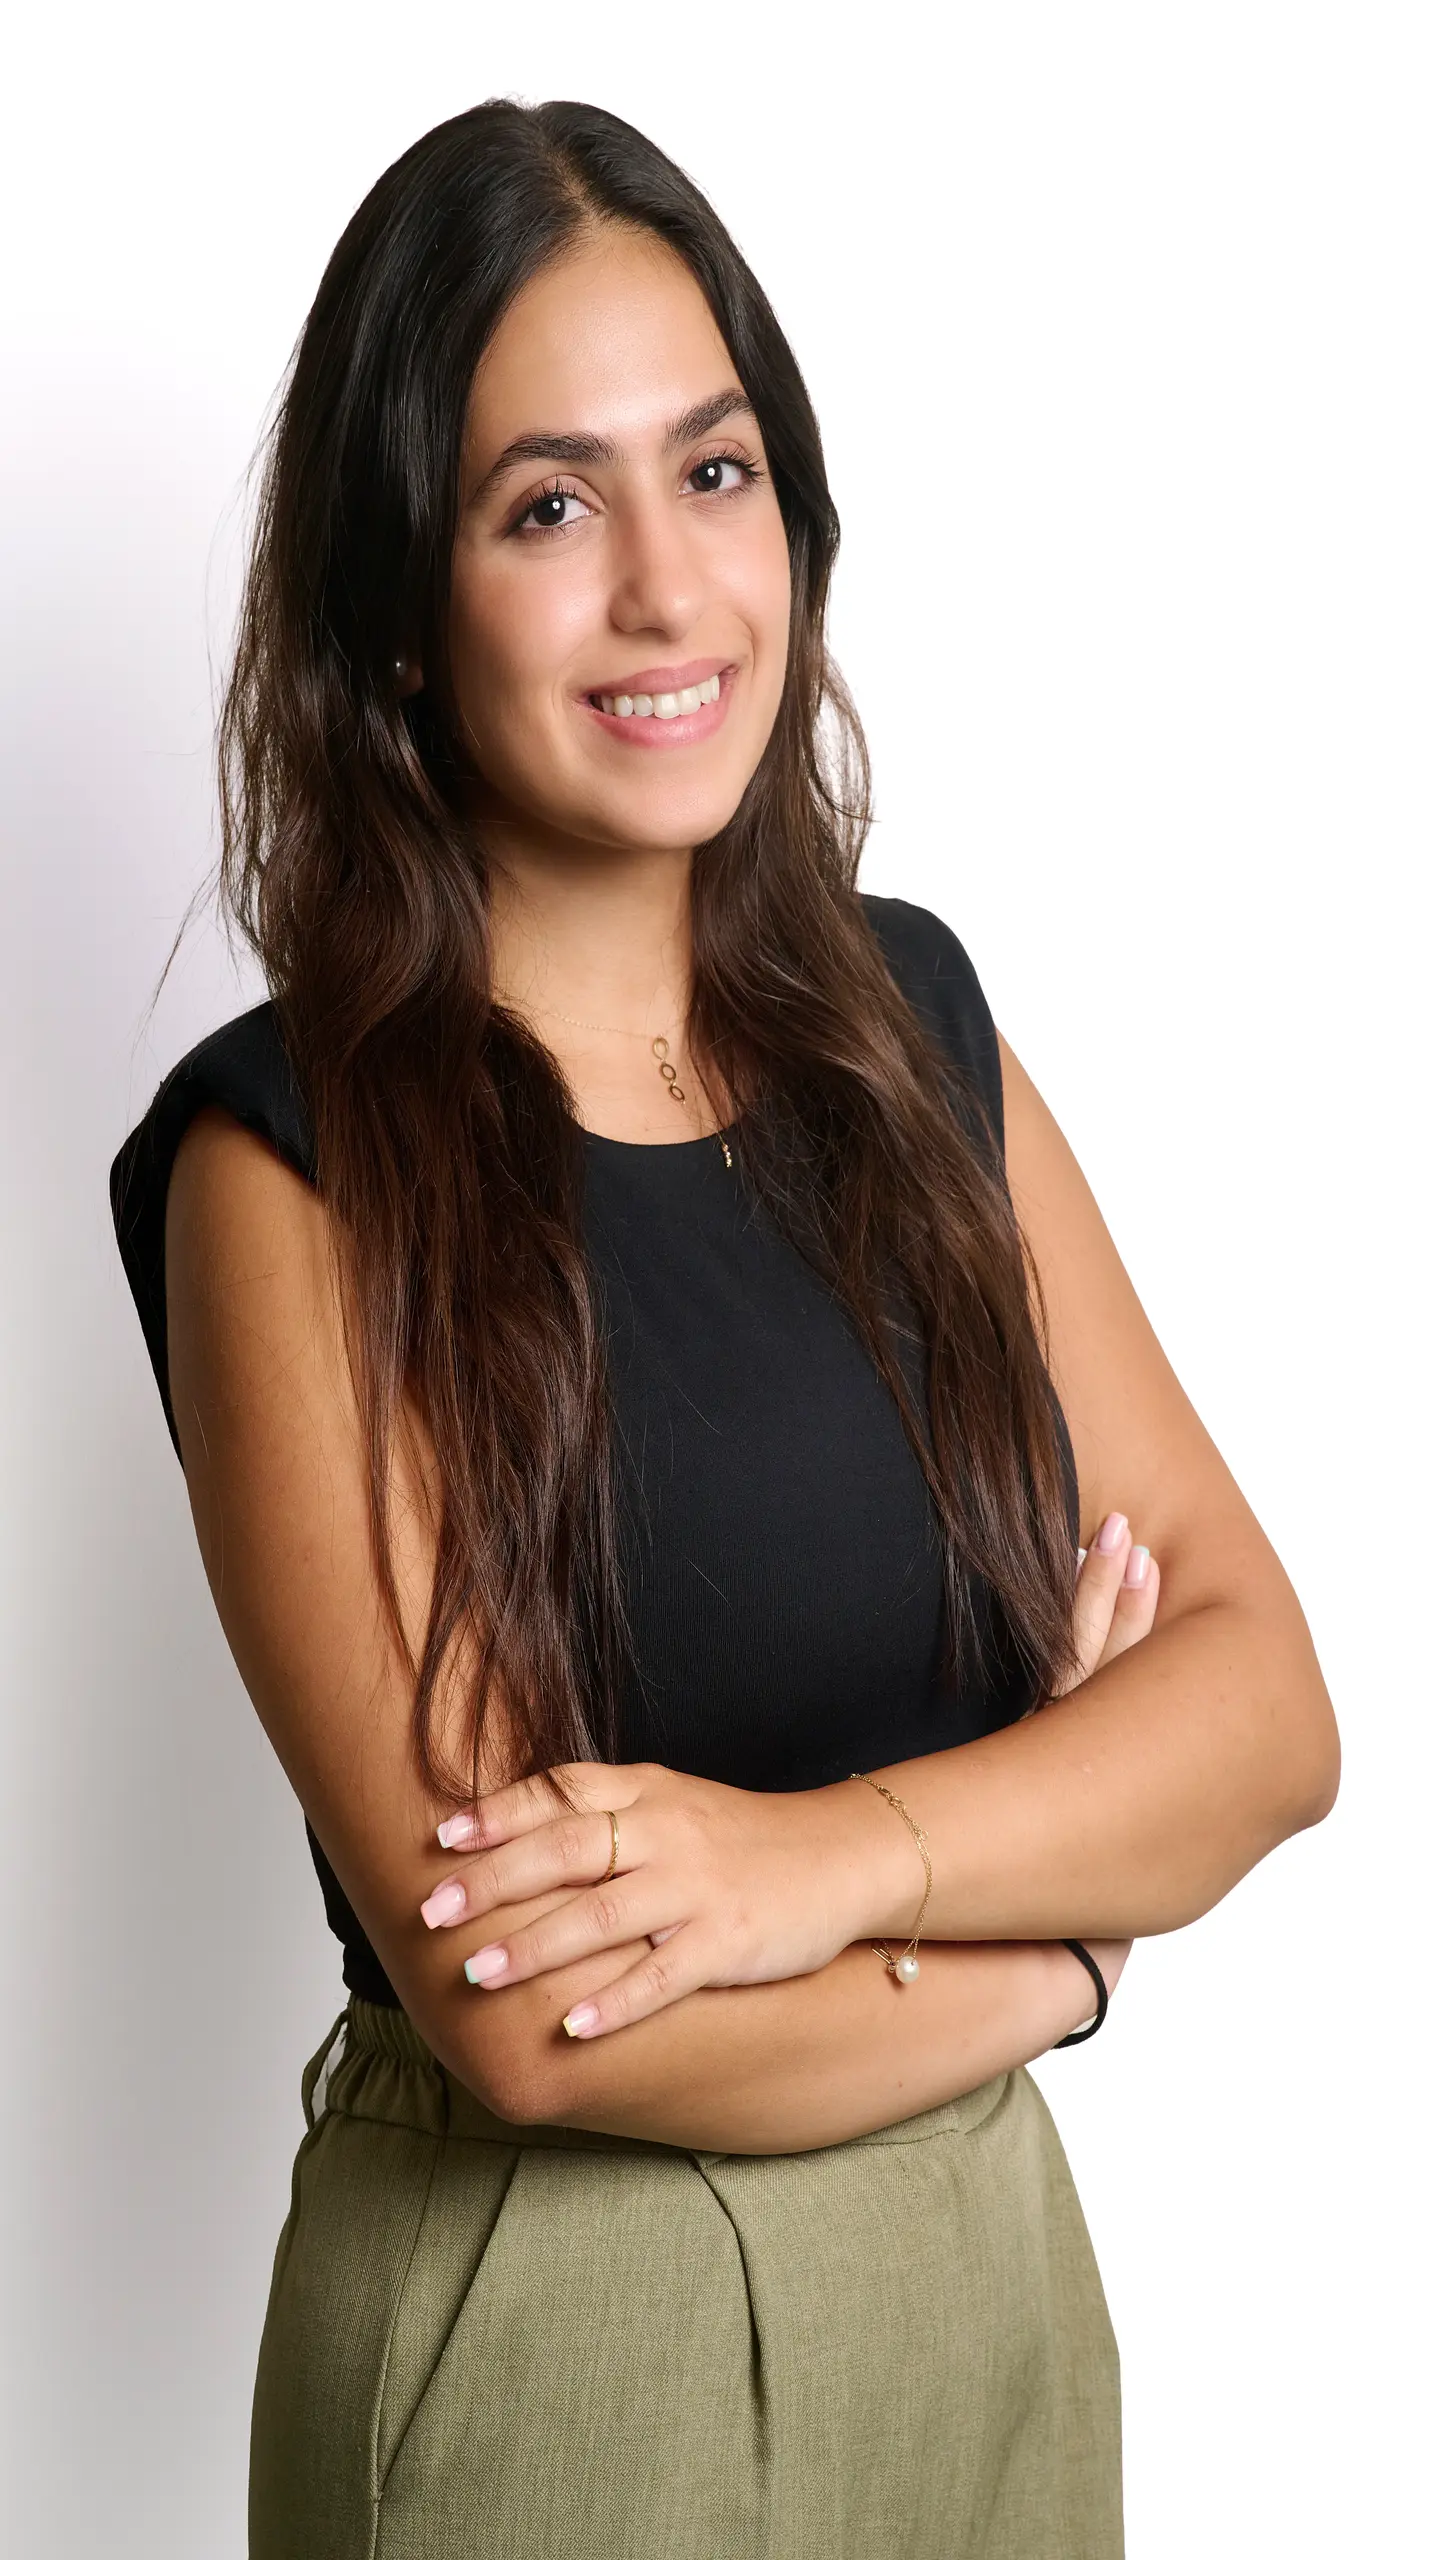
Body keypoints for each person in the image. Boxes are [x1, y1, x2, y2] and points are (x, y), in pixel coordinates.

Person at [108, 97, 1340, 2560]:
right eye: (546, 508)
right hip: (562, 2330)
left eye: (716, 471)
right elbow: (530, 2009)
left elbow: (1265, 1709)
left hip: (987, 2279)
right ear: (397, 604)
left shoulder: (916, 1032)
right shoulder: (292, 1161)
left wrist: (816, 1864)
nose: (670, 590)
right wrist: (1063, 1943)